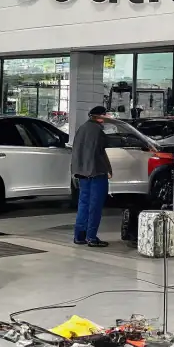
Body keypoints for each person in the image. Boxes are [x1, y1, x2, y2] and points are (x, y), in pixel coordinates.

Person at [70, 106, 113, 247]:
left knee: (83, 204)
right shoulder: (98, 131)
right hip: (96, 172)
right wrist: (108, 169)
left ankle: (79, 236)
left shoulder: (82, 128)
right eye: (105, 115)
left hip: (82, 173)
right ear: (100, 116)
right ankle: (91, 237)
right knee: (95, 206)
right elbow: (101, 152)